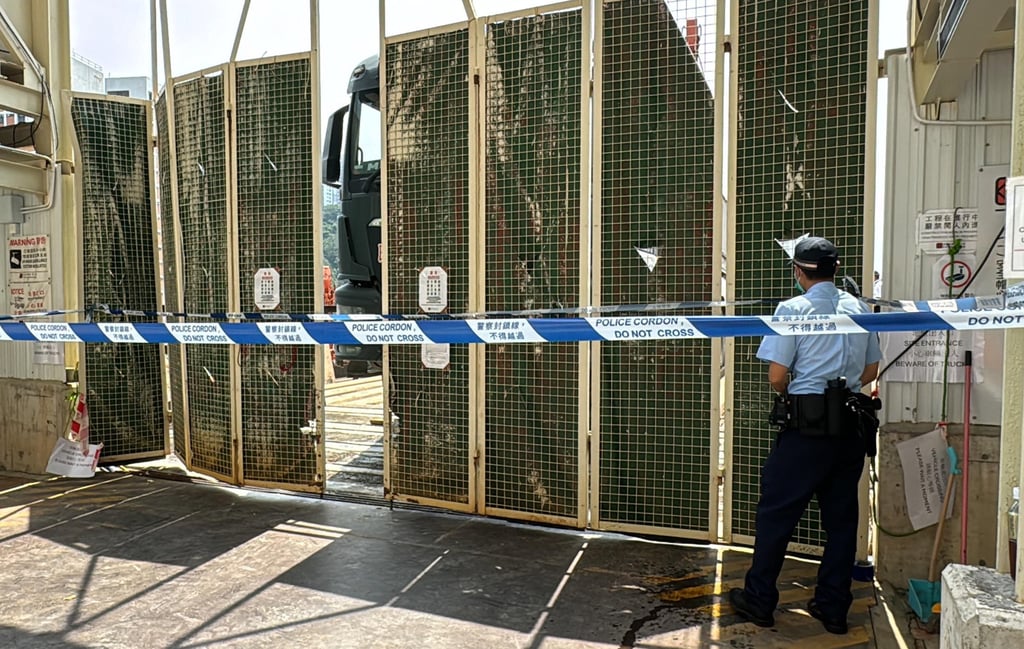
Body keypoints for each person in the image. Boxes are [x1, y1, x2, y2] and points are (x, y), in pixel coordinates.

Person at [729, 236, 881, 635]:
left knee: (777, 515)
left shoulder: (792, 309)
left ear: (799, 272)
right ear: (834, 269)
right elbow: (870, 372)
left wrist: (795, 391)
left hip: (806, 429)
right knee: (842, 522)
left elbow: (777, 376)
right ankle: (833, 608)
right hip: (848, 427)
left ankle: (760, 601)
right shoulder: (858, 308)